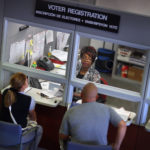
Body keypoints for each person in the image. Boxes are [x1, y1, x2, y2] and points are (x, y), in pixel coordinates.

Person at [59, 83, 127, 150]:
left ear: (81, 95)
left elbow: (62, 136)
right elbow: (123, 125)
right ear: (97, 97)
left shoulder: (70, 111)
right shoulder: (107, 109)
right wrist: (117, 146)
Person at [0, 72, 43, 150]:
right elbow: (32, 117)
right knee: (39, 128)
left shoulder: (5, 92)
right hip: (17, 133)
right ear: (24, 85)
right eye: (26, 80)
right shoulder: (29, 99)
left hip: (3, 129)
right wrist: (33, 123)